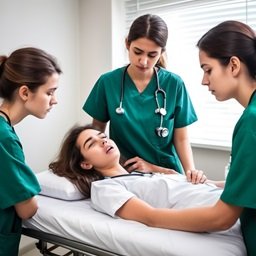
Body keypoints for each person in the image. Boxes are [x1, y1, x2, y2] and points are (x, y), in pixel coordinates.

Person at [48, 124, 245, 253]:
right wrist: (215, 219)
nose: (104, 141)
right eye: (93, 144)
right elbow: (152, 217)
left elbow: (205, 186)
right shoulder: (104, 188)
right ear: (85, 164)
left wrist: (206, 180)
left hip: (231, 200)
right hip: (227, 213)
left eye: (103, 136)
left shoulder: (140, 173)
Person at [83, 14, 206, 184]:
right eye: (138, 52)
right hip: (125, 173)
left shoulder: (174, 84)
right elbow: (97, 132)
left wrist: (190, 174)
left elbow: (181, 138)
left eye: (152, 54)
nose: (144, 61)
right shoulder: (107, 82)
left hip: (167, 173)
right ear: (127, 44)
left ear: (162, 52)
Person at [0, 47, 62, 256]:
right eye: (50, 92)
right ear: (25, 92)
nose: (55, 100)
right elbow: (27, 209)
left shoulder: (4, 129)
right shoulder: (4, 138)